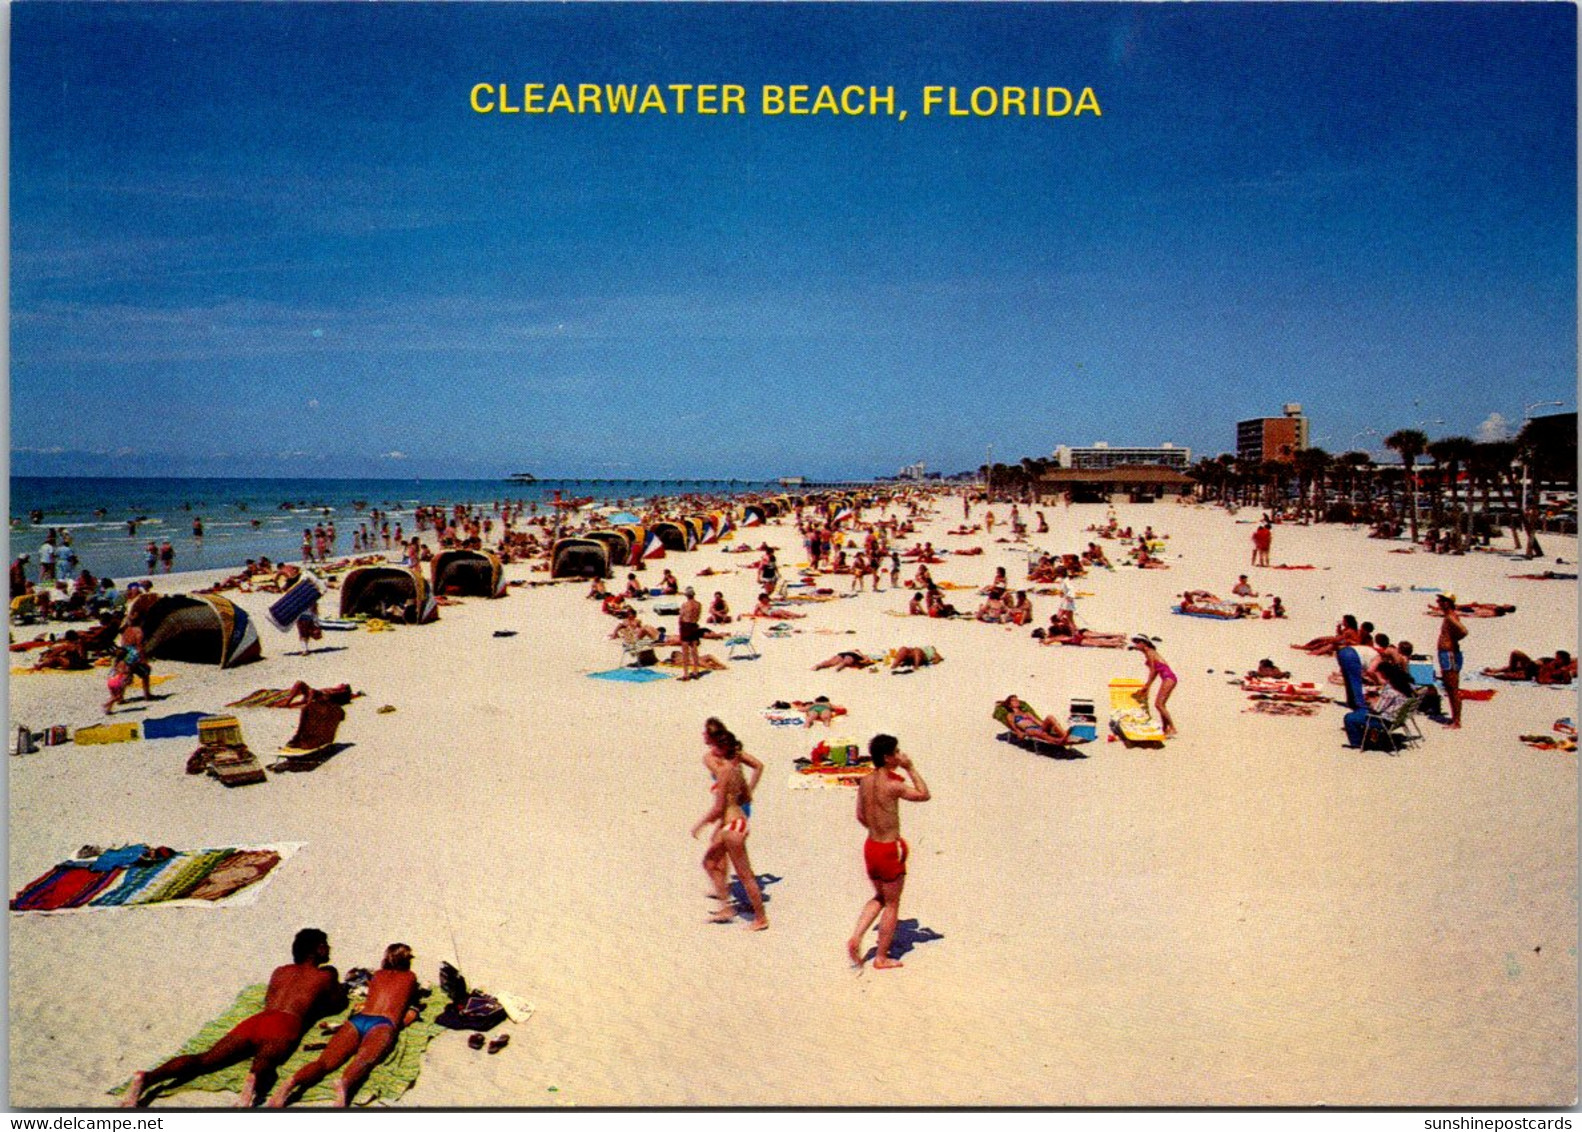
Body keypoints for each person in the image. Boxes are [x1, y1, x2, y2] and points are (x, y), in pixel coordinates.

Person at [123, 929, 343, 1108]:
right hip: (286, 1021)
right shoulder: (326, 974)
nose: (329, 948)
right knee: (266, 1060)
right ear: (315, 949)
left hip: (258, 1019)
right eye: (325, 944)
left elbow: (270, 997)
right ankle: (250, 1085)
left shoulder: (280, 970)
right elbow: (335, 1005)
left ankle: (148, 1078)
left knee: (206, 1059)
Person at [268, 943, 420, 1108]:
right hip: (383, 1023)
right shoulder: (410, 977)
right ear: (407, 960)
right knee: (363, 1060)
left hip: (358, 1020)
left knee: (324, 1063)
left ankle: (289, 1083)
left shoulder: (378, 975)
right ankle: (344, 1084)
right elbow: (409, 1004)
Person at [847, 735, 930, 970]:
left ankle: (857, 936)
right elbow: (924, 794)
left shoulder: (865, 781)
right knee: (892, 903)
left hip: (871, 845)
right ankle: (881, 958)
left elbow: (860, 816)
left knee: (880, 897)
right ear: (887, 757)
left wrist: (877, 826)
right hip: (889, 848)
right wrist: (910, 767)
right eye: (896, 752)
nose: (899, 754)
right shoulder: (893, 785)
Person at [691, 725, 768, 931]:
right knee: (710, 862)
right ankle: (726, 907)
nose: (711, 751)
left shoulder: (724, 771)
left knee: (744, 874)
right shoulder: (736, 769)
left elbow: (718, 808)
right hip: (736, 822)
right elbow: (746, 797)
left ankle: (761, 918)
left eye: (715, 747)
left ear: (721, 749)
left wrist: (699, 825)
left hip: (732, 826)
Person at [1131, 636, 1178, 737]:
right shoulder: (1147, 652)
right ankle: (1165, 729)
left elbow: (1153, 671)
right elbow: (1155, 671)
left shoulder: (1150, 652)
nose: (1136, 645)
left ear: (1144, 643)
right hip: (1167, 678)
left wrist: (1147, 686)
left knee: (1159, 704)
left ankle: (1172, 728)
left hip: (1168, 678)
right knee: (1160, 705)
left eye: (1138, 642)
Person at [1435, 593, 1467, 729]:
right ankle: (1455, 719)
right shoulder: (1449, 616)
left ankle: (1457, 721)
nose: (1438, 602)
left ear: (1447, 603)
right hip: (1447, 654)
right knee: (1449, 687)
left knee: (1452, 688)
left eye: (1440, 600)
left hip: (1450, 655)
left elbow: (1464, 631)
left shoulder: (1450, 617)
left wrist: (1453, 640)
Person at [999, 694, 1074, 745]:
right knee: (1035, 731)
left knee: (1050, 717)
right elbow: (1012, 726)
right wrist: (1018, 732)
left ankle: (1064, 735)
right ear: (1009, 704)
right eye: (1013, 700)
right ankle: (1058, 741)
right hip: (1029, 730)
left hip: (1039, 728)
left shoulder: (1027, 713)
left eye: (1017, 700)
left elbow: (1038, 723)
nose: (1017, 701)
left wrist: (1050, 727)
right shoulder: (1011, 715)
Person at [677, 586, 703, 681]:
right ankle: (696, 671)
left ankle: (686, 674)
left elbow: (681, 617)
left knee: (685, 651)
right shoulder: (698, 604)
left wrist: (680, 629)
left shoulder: (685, 605)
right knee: (694, 650)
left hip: (686, 626)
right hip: (694, 625)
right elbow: (698, 616)